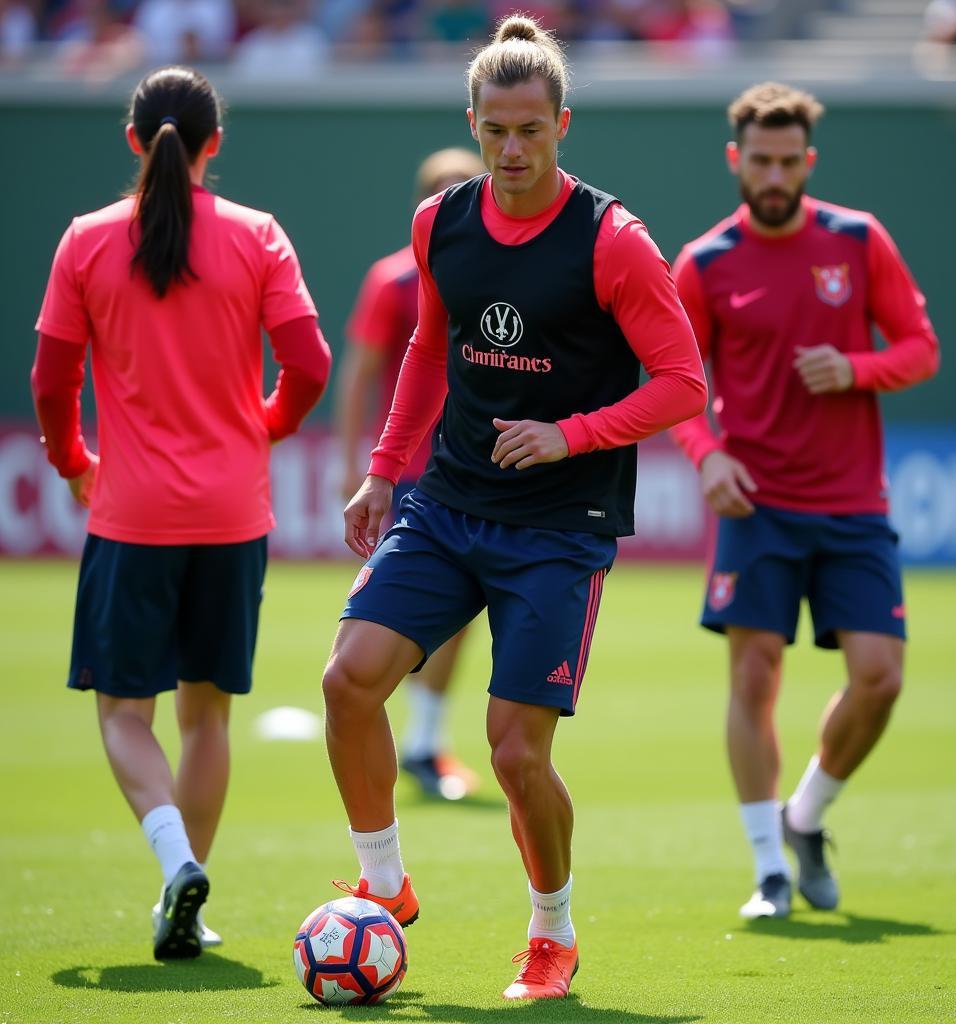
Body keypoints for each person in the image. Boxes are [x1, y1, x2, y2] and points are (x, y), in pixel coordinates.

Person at [320, 14, 707, 1001]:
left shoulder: (612, 240)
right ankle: (385, 884)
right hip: (447, 502)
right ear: (473, 121)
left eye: (530, 129)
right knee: (347, 680)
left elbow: (681, 384)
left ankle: (552, 932)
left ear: (562, 125)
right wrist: (381, 470)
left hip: (557, 527)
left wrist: (570, 432)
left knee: (512, 751)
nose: (512, 148)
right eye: (496, 129)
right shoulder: (439, 222)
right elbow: (424, 351)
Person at [31, 66, 331, 960]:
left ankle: (172, 866)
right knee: (208, 718)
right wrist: (265, 430)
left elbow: (52, 382)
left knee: (127, 714)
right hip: (235, 514)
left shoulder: (86, 240)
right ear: (215, 144)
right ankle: (188, 893)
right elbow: (309, 364)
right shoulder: (258, 235)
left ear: (133, 139)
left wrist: (73, 463)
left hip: (132, 516)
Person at [670, 82, 939, 919]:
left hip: (854, 502)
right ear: (735, 161)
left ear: (808, 161)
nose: (776, 175)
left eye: (790, 162)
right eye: (762, 162)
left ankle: (807, 813)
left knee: (880, 678)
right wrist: (707, 456)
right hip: (756, 505)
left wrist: (856, 368)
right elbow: (677, 385)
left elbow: (922, 348)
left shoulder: (859, 240)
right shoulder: (704, 262)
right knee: (754, 675)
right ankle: (769, 872)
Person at [335, 146, 485, 801]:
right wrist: (355, 463)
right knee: (396, 612)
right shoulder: (393, 280)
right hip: (414, 474)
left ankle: (424, 742)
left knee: (460, 616)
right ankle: (403, 738)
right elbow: (362, 370)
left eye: (465, 189)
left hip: (478, 471)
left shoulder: (499, 277)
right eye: (444, 191)